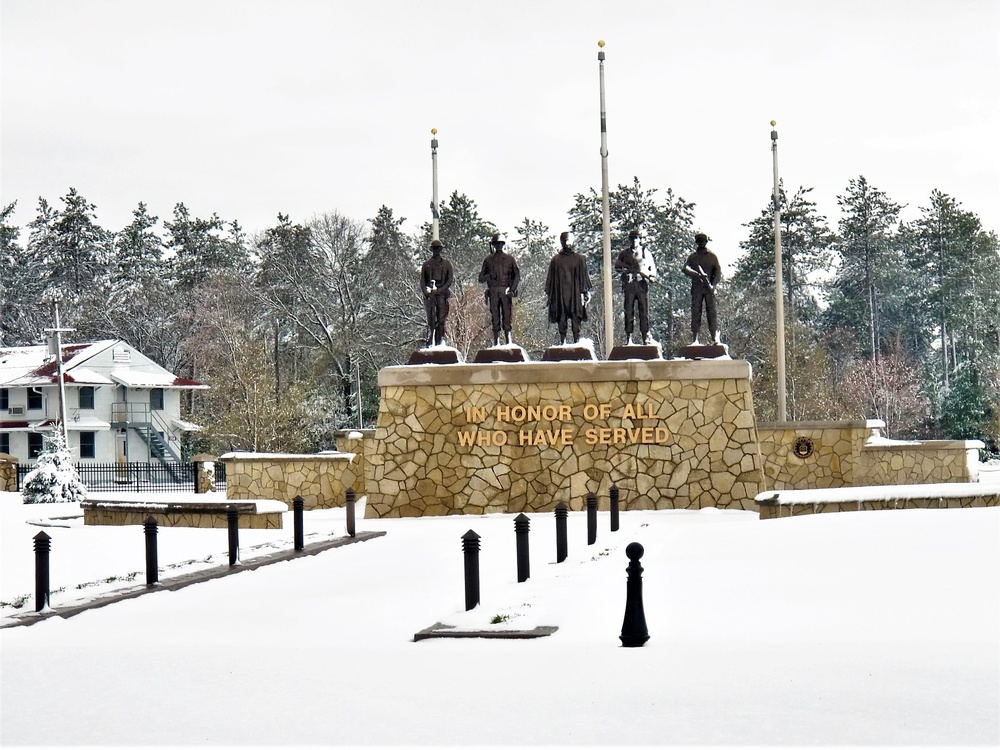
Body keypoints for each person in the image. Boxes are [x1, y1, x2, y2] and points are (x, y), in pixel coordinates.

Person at [545, 231, 593, 345]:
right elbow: (550, 281)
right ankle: (565, 341)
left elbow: (583, 278)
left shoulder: (577, 259)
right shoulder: (556, 260)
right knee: (565, 317)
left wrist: (585, 292)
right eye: (565, 241)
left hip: (571, 294)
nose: (566, 243)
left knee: (571, 317)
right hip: (566, 295)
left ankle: (572, 341)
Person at [614, 230, 657, 345]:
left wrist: (651, 276)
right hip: (629, 285)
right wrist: (625, 270)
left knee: (643, 312)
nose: (634, 240)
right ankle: (629, 338)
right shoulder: (624, 253)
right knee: (628, 312)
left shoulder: (645, 252)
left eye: (636, 238)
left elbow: (652, 268)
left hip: (641, 284)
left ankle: (645, 337)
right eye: (632, 238)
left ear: (639, 239)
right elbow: (617, 267)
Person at [479, 233, 520, 346]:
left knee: (507, 315)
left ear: (503, 245)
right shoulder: (488, 260)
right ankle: (496, 341)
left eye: (500, 244)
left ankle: (508, 339)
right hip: (493, 292)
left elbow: (516, 275)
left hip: (505, 292)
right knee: (495, 316)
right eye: (496, 244)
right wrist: (489, 276)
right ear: (493, 245)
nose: (498, 246)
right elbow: (480, 278)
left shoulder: (509, 259)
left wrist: (512, 289)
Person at [682, 232, 722, 344]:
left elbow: (718, 273)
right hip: (697, 289)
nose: (701, 243)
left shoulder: (712, 257)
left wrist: (713, 286)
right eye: (699, 241)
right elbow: (685, 268)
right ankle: (695, 338)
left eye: (703, 241)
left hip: (709, 289)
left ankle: (714, 337)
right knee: (696, 313)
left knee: (712, 313)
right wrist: (696, 274)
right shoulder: (693, 257)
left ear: (706, 242)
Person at [420, 239, 454, 347]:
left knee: (441, 319)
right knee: (431, 319)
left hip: (442, 294)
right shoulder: (427, 264)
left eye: (437, 249)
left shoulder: (446, 264)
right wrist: (427, 293)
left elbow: (449, 280)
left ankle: (440, 340)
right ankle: (432, 340)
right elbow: (422, 281)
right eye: (434, 249)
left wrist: (440, 290)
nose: (436, 251)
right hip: (430, 296)